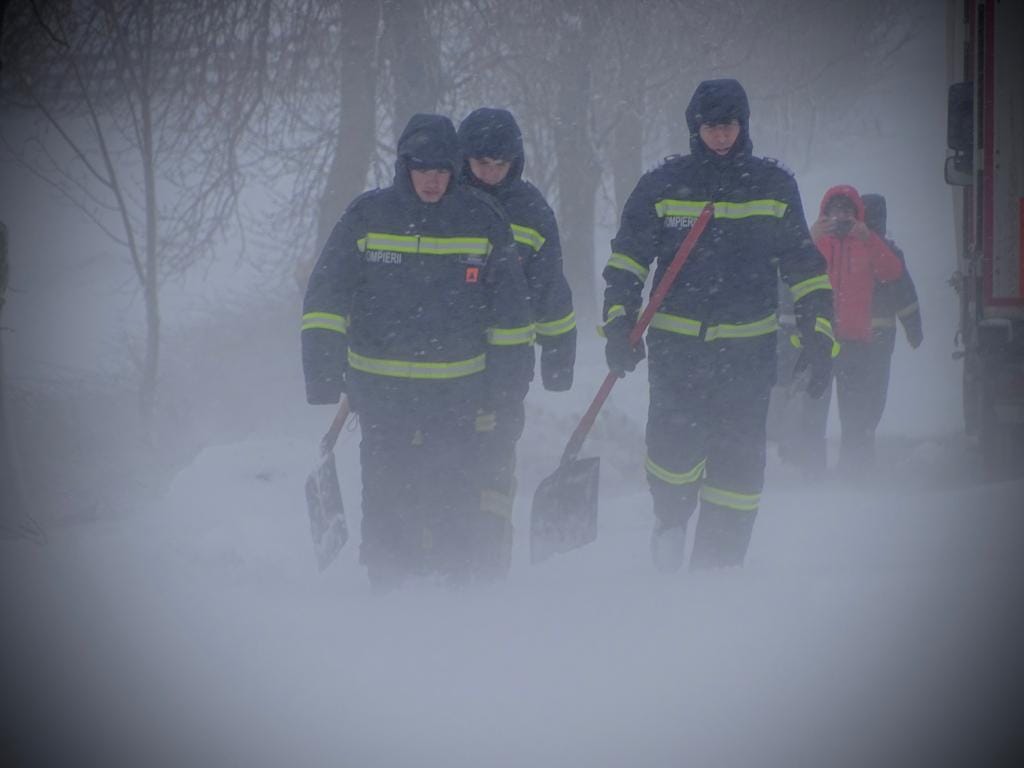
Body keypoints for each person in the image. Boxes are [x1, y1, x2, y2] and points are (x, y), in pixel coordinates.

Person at [601, 79, 836, 572]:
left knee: (739, 464)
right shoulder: (664, 186)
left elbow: (803, 264)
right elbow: (627, 260)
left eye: (729, 125)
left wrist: (818, 331)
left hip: (747, 357)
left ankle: (719, 570)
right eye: (711, 126)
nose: (721, 136)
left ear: (743, 126)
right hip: (678, 353)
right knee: (672, 451)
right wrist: (619, 320)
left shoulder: (772, 186)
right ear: (695, 128)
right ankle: (670, 522)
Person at [301, 113, 534, 589]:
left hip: (457, 394)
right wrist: (324, 375)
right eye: (422, 167)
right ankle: (388, 581)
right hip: (381, 394)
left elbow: (510, 319)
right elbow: (326, 296)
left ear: (454, 169)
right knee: (386, 488)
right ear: (404, 166)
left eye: (442, 168)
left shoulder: (483, 222)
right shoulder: (368, 217)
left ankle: (452, 584)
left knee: (452, 487)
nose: (432, 179)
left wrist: (505, 391)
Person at [456, 107, 576, 578]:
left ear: (515, 162)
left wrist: (559, 354)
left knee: (494, 460)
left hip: (506, 369)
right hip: (444, 364)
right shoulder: (445, 203)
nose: (490, 174)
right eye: (481, 164)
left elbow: (551, 287)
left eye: (499, 165)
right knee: (445, 462)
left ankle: (490, 558)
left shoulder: (530, 210)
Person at [787, 186, 905, 477]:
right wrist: (809, 238)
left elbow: (893, 273)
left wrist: (871, 239)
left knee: (856, 413)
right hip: (820, 342)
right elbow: (785, 270)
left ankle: (856, 470)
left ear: (857, 215)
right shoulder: (815, 242)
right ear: (824, 213)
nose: (840, 217)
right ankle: (810, 469)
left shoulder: (867, 243)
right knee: (813, 410)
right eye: (834, 211)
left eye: (847, 212)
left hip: (856, 342)